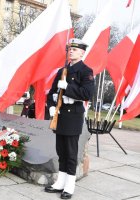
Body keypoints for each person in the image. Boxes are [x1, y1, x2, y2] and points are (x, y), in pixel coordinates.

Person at [45, 38, 94, 199]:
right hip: (60, 116)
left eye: (75, 49)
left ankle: (70, 186)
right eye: (70, 49)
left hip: (73, 116)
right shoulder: (62, 71)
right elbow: (51, 92)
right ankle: (60, 182)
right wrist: (52, 106)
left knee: (71, 153)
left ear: (82, 52)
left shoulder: (86, 71)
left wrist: (68, 87)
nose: (71, 51)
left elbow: (87, 94)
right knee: (61, 151)